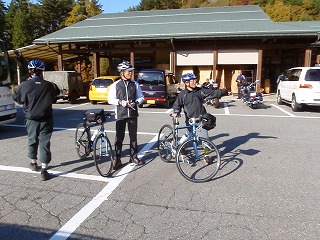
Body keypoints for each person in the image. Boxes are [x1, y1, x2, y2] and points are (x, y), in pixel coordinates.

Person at [13, 60, 58, 181]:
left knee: (32, 140)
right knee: (45, 142)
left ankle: (33, 162)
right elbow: (55, 96)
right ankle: (44, 169)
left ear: (30, 71)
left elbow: (17, 99)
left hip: (31, 118)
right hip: (46, 119)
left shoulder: (24, 85)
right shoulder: (49, 85)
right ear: (42, 71)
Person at [108, 61, 145, 170]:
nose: (131, 73)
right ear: (122, 72)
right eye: (128, 71)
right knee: (119, 138)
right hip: (121, 115)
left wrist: (136, 103)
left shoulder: (135, 84)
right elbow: (110, 99)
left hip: (133, 114)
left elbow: (141, 97)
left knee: (133, 137)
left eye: (131, 71)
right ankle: (118, 159)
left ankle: (133, 157)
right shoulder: (115, 85)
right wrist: (121, 102)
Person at [172, 73, 228, 144]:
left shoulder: (200, 91)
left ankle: (206, 153)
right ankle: (180, 146)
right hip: (190, 119)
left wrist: (223, 92)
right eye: (192, 80)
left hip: (202, 117)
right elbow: (177, 104)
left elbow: (212, 93)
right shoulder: (183, 94)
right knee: (188, 135)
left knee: (205, 137)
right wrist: (176, 112)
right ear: (186, 83)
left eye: (195, 80)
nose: (195, 81)